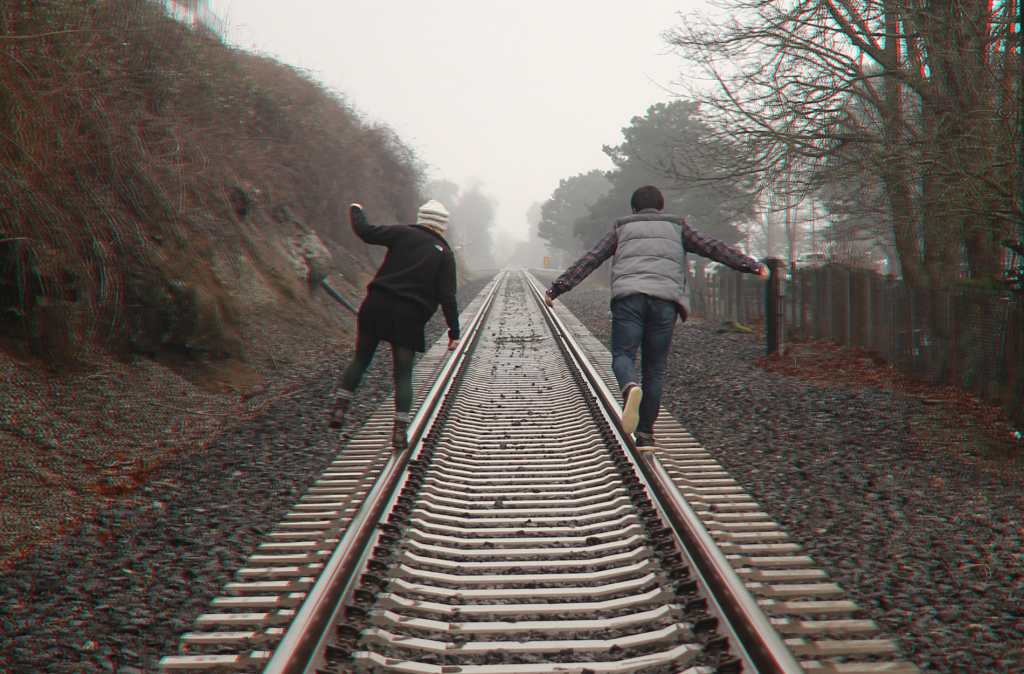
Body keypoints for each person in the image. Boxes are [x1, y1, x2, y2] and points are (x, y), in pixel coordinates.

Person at [545, 185, 769, 450]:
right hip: (665, 303)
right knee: (653, 370)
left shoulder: (622, 227)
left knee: (623, 356)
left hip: (629, 300)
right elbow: (714, 248)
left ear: (634, 209)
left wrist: (557, 289)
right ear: (661, 208)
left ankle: (629, 388)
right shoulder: (678, 227)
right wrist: (753, 265)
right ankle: (645, 435)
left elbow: (591, 258)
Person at [328, 200, 460, 450]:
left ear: (421, 218)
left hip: (377, 304)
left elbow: (365, 232)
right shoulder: (444, 254)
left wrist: (356, 210)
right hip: (409, 315)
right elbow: (447, 297)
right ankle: (399, 432)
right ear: (443, 226)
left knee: (361, 359)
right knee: (403, 374)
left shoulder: (402, 233)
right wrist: (454, 332)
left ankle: (339, 410)